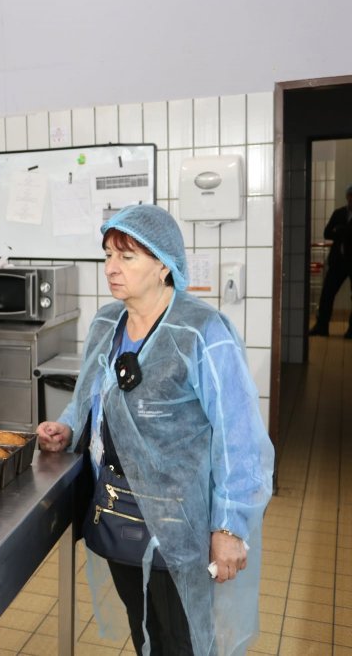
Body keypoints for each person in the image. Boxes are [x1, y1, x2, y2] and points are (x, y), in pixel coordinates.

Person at [36, 205, 273, 656]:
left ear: (164, 265)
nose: (111, 268)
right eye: (108, 255)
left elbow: (239, 437)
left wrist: (229, 526)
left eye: (127, 257)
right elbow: (89, 397)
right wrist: (66, 427)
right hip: (117, 511)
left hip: (180, 521)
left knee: (181, 638)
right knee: (143, 627)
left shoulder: (202, 332)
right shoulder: (107, 323)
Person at [309, 184, 352, 337]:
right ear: (347, 197)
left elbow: (338, 232)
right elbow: (327, 233)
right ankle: (322, 326)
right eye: (350, 196)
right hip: (337, 261)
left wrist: (341, 230)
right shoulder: (339, 213)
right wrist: (343, 232)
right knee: (327, 293)